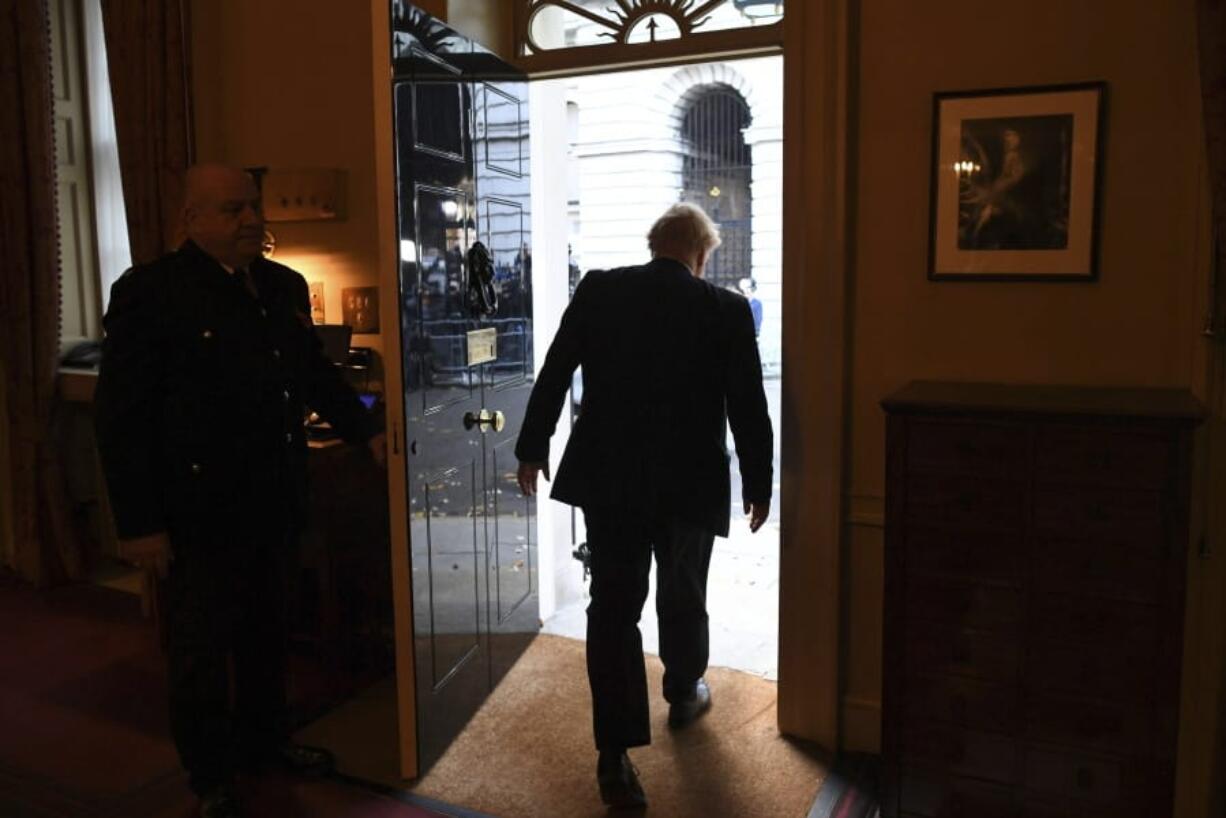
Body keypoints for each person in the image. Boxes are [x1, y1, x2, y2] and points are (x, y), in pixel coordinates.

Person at [94, 164, 386, 818]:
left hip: (274, 499)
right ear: (190, 221)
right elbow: (121, 417)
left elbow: (312, 372)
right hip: (196, 511)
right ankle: (210, 776)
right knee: (200, 651)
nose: (250, 220)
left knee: (267, 635)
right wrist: (139, 524)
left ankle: (265, 741)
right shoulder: (151, 292)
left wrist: (366, 431)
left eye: (253, 207)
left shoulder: (281, 286)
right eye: (231, 210)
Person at [515, 202, 773, 809]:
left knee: (613, 608)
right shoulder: (725, 309)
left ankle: (615, 755)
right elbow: (748, 406)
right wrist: (759, 484)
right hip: (688, 485)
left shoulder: (600, 290)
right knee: (683, 592)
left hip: (610, 482)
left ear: (654, 243)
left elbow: (555, 371)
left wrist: (532, 448)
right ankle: (683, 689)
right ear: (702, 253)